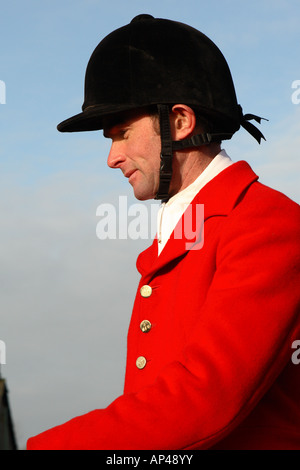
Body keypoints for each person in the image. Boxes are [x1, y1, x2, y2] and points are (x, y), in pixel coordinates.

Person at [27, 14, 300, 450]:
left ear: (179, 122)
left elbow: (205, 397)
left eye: (122, 134)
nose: (112, 157)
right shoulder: (188, 228)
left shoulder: (268, 223)